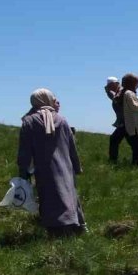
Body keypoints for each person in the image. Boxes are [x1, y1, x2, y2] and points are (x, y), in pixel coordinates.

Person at [17, 88, 87, 236]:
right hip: (66, 166)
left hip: (44, 167)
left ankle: (56, 230)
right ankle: (77, 226)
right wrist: (76, 166)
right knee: (69, 194)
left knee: (49, 196)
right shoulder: (61, 120)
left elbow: (25, 149)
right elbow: (71, 146)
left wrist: (23, 169)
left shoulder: (29, 121)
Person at [105, 76, 129, 163]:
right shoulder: (118, 92)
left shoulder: (121, 92)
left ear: (117, 84)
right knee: (134, 143)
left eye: (111, 85)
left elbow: (116, 100)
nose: (109, 87)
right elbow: (114, 98)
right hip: (125, 122)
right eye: (108, 85)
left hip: (127, 122)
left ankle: (112, 160)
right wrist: (108, 92)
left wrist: (108, 92)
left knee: (114, 139)